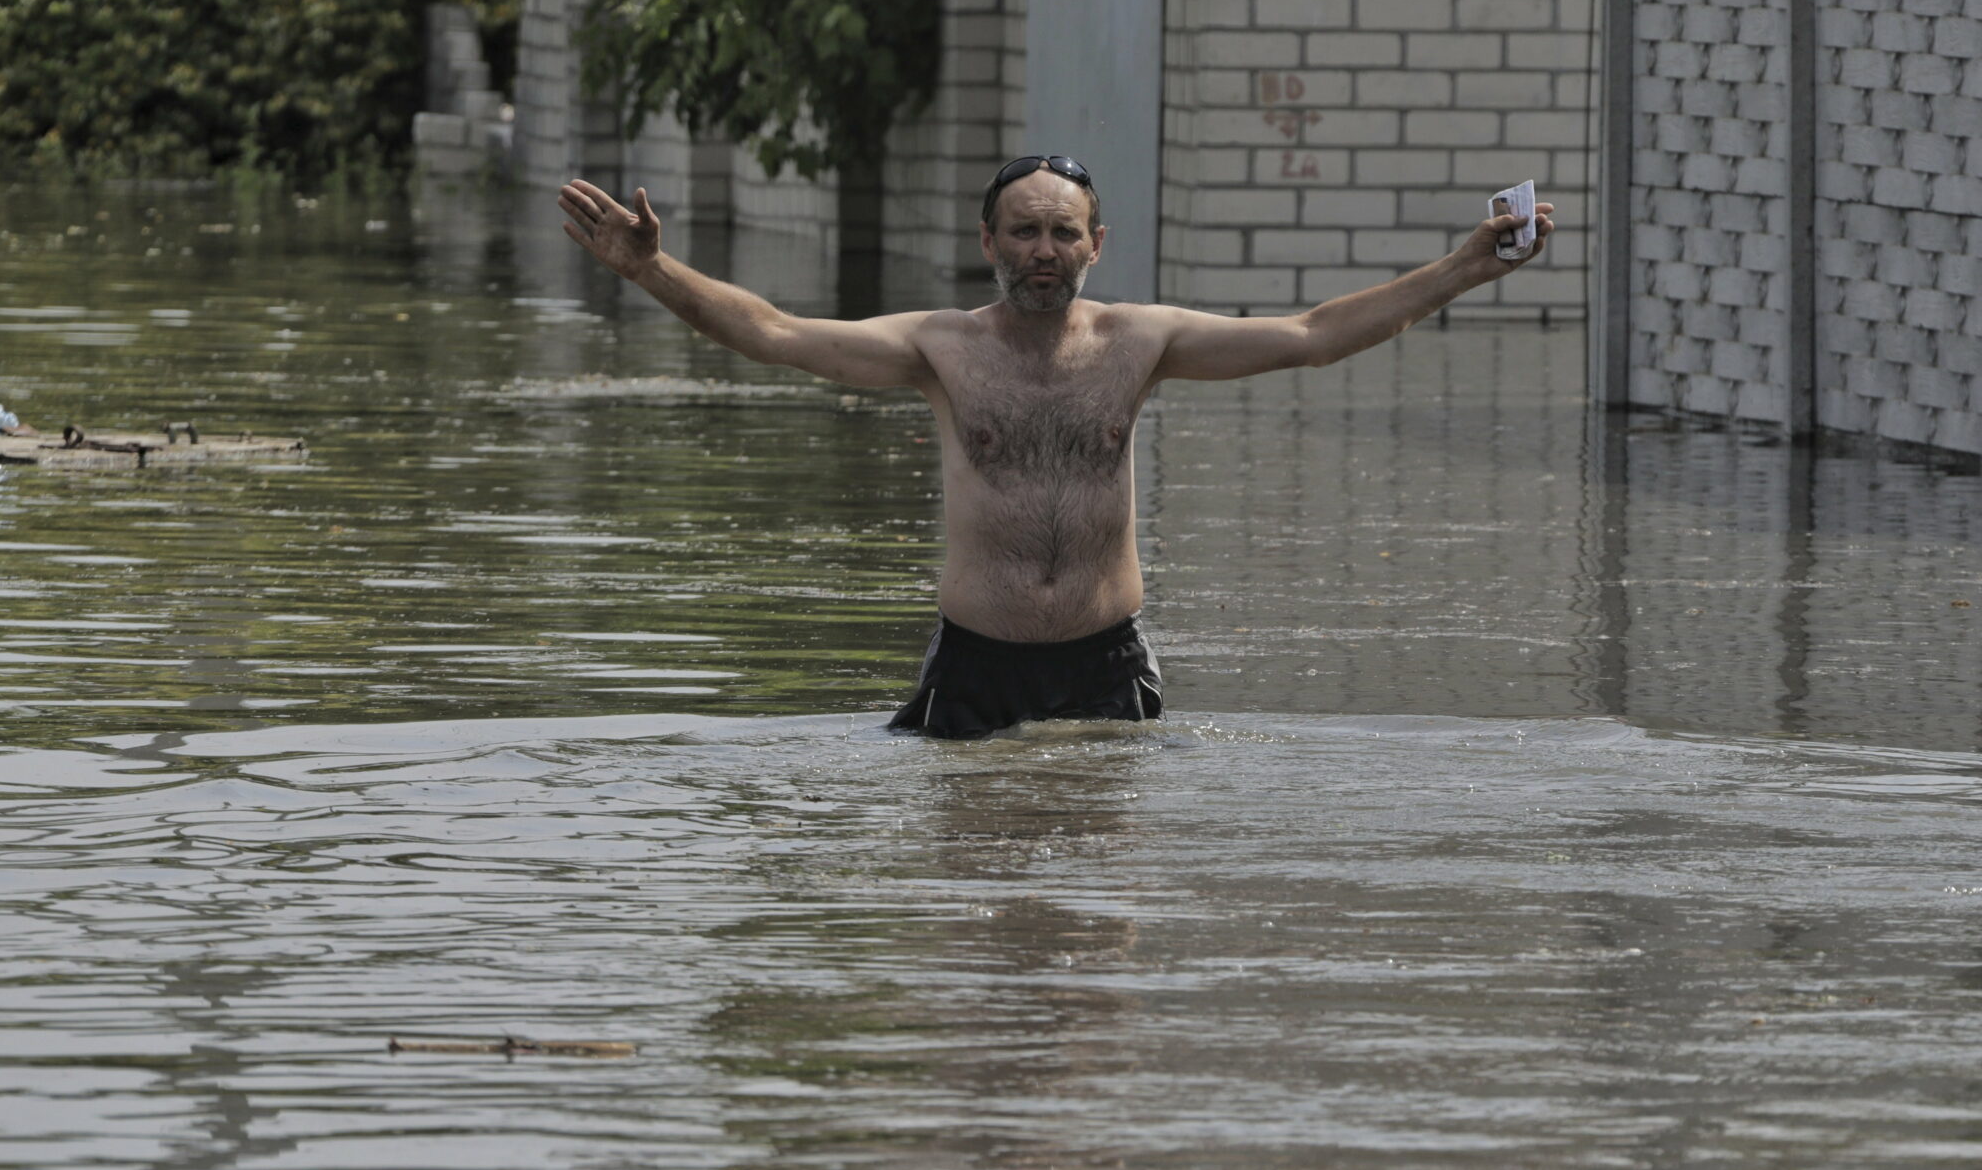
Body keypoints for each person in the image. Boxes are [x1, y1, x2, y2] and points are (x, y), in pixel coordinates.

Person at [557, 155, 1554, 737]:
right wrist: (652, 272)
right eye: (1023, 232)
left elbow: (1311, 337)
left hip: (1104, 667)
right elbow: (772, 334)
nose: (1043, 251)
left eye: (1061, 234)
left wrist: (1464, 267)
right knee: (967, 885)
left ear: (1094, 246)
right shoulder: (934, 349)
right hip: (975, 668)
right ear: (988, 244)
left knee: (1100, 892)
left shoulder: (1141, 343)